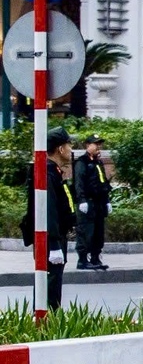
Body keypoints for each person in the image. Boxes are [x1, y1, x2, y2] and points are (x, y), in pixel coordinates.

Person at [18, 127, 77, 309]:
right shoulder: (46, 173)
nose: (71, 149)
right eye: (69, 144)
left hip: (55, 237)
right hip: (50, 240)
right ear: (60, 149)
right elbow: (47, 209)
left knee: (52, 284)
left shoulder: (53, 171)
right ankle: (45, 327)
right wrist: (53, 245)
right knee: (49, 288)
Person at [73, 134, 113, 272]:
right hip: (88, 202)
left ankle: (95, 258)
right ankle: (82, 260)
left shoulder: (98, 162)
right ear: (87, 145)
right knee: (85, 232)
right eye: (96, 144)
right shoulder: (82, 162)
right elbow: (79, 183)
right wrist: (81, 200)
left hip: (99, 203)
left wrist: (107, 201)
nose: (98, 147)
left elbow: (103, 183)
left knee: (98, 232)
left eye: (99, 144)